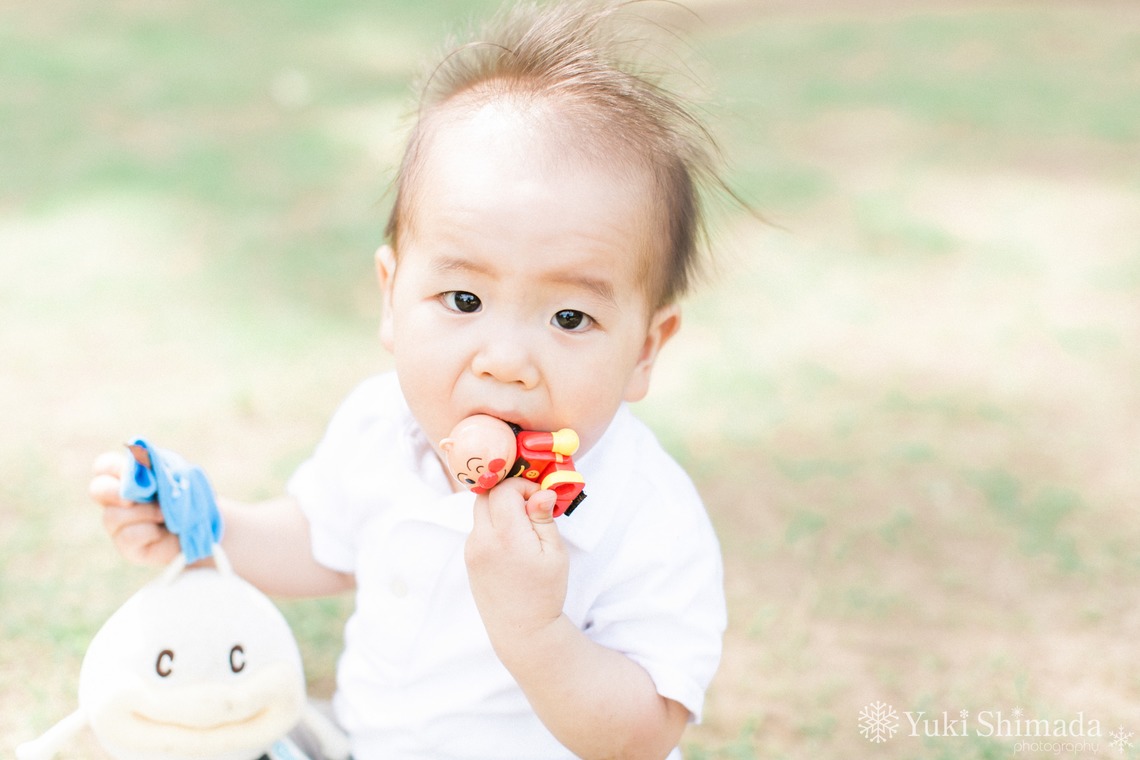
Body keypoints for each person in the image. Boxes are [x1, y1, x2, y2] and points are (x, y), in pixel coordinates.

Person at [90, 1, 727, 757]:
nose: (505, 361)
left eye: (568, 318)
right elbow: (321, 542)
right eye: (463, 301)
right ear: (392, 299)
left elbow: (647, 732)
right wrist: (205, 527)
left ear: (646, 350)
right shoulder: (379, 425)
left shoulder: (643, 517)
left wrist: (535, 630)